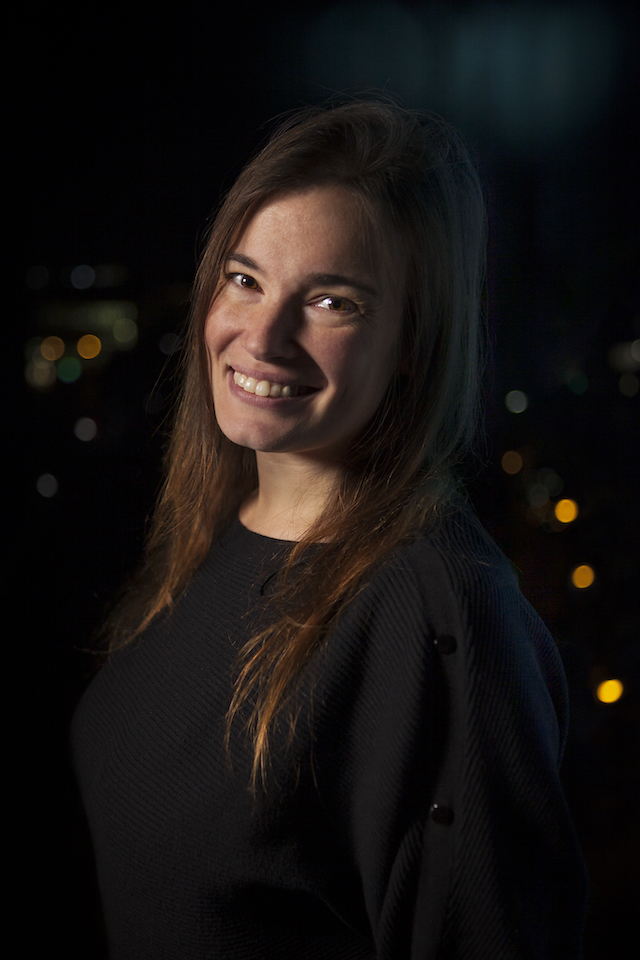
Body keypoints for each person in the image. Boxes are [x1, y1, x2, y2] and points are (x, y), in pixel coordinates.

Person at [72, 99, 588, 959]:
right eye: (244, 279)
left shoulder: (441, 613)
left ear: (413, 341)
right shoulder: (208, 534)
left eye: (330, 301)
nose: (262, 337)